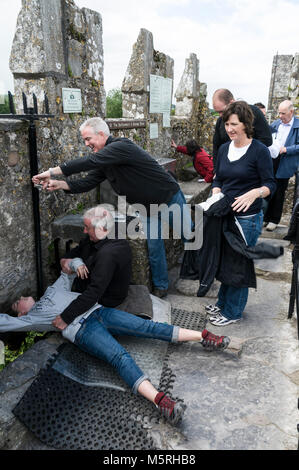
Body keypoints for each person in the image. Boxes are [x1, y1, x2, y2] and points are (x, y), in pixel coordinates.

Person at [0, 218, 231, 425]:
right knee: (120, 357)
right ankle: (161, 401)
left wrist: (77, 264)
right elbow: (4, 322)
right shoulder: (31, 319)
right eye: (16, 303)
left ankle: (204, 337)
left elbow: (67, 265)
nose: (20, 298)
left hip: (98, 310)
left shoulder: (52, 290)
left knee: (147, 327)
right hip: (83, 330)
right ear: (20, 315)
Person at [32, 118, 193, 299]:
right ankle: (161, 287)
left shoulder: (122, 146)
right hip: (147, 209)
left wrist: (52, 171)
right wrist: (60, 184)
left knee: (189, 235)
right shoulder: (106, 160)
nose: (86, 144)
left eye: (88, 139)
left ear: (101, 134)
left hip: (168, 198)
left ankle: (195, 276)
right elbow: (87, 182)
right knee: (155, 249)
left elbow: (89, 161)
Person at [207, 101, 276, 326]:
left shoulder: (259, 150)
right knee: (226, 262)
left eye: (234, 124)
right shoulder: (225, 148)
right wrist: (216, 193)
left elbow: (270, 185)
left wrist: (254, 193)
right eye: (226, 124)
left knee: (239, 266)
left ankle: (233, 312)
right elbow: (218, 178)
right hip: (226, 214)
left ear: (246, 124)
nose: (229, 129)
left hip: (247, 220)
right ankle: (222, 303)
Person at [212, 89, 272, 167]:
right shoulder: (220, 121)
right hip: (227, 167)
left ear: (231, 102)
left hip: (251, 167)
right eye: (217, 112)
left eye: (222, 111)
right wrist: (216, 169)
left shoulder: (254, 112)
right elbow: (216, 147)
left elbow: (267, 140)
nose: (220, 115)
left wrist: (244, 154)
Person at [263, 100, 299, 231]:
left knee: (279, 192)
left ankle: (274, 220)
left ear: (291, 112)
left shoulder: (298, 125)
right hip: (272, 160)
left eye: (283, 113)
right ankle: (265, 218)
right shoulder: (276, 123)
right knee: (267, 189)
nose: (280, 116)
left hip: (286, 162)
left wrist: (287, 149)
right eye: (279, 113)